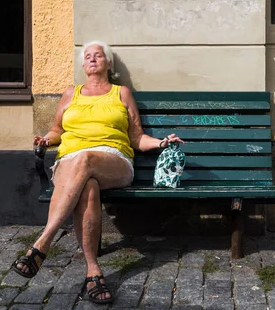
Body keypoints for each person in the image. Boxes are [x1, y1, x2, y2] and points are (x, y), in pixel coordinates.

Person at [11, 41, 183, 304]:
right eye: (88, 56)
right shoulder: (71, 93)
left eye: (98, 55)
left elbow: (136, 137)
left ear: (108, 63)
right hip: (70, 162)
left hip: (113, 160)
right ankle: (93, 270)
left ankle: (43, 241)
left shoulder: (121, 93)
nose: (92, 59)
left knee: (86, 158)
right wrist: (46, 140)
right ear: (83, 65)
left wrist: (160, 143)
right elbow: (57, 130)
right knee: (88, 187)